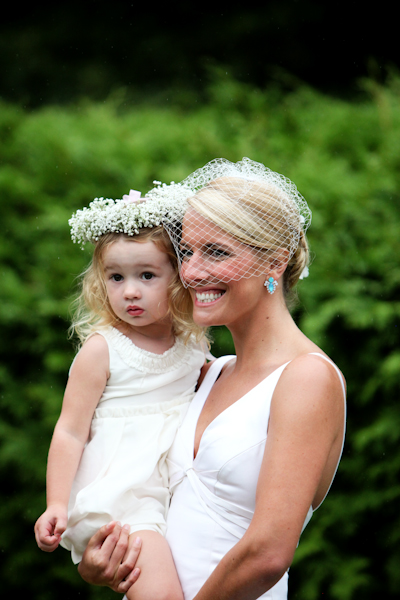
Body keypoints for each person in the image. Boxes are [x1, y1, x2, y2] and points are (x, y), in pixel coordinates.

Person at [77, 158, 347, 600]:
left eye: (216, 252)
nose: (192, 271)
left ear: (275, 260)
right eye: (187, 251)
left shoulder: (307, 378)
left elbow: (268, 554)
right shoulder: (207, 372)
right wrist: (101, 558)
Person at [34, 189, 207, 600]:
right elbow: (70, 431)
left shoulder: (194, 346)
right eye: (116, 277)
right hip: (122, 500)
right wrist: (56, 502)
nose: (130, 291)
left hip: (168, 495)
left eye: (147, 276)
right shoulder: (104, 348)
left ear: (180, 277)